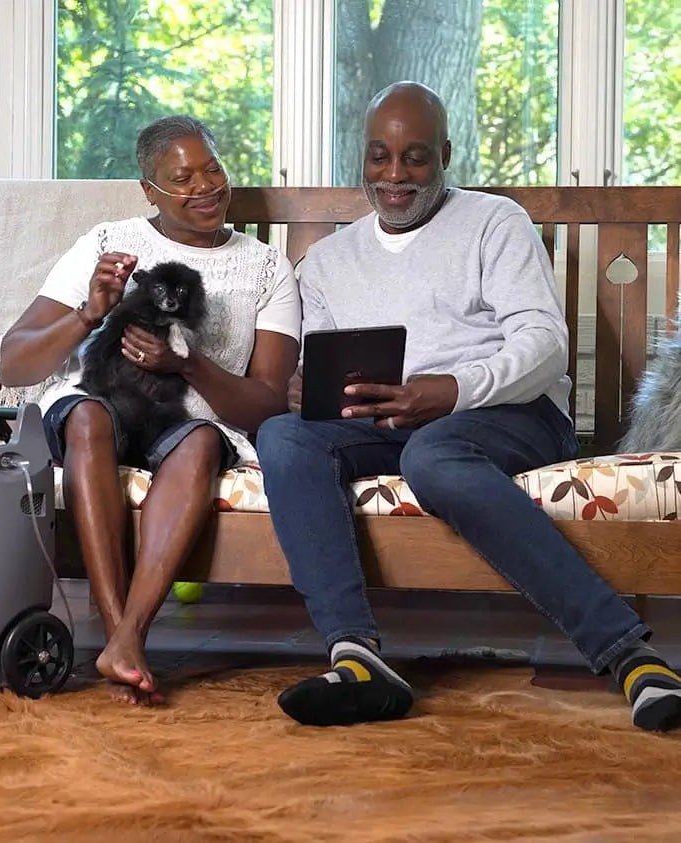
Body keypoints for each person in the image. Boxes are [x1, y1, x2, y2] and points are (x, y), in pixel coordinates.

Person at [256, 81, 681, 731]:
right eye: (378, 155)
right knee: (286, 436)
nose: (394, 175)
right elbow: (321, 370)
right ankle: (356, 656)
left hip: (508, 415)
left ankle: (629, 653)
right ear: (361, 158)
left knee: (434, 454)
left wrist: (451, 389)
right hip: (387, 423)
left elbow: (543, 346)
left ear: (445, 154)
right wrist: (305, 389)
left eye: (414, 156)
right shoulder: (328, 262)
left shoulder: (492, 221)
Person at [0, 115, 300, 704]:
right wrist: (90, 313)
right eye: (182, 177)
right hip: (99, 407)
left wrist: (186, 366)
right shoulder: (107, 244)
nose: (205, 186)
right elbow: (15, 365)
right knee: (86, 415)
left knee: (205, 442)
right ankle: (120, 634)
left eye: (212, 168)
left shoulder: (267, 268)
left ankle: (128, 637)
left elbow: (266, 405)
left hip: (184, 422)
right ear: (150, 190)